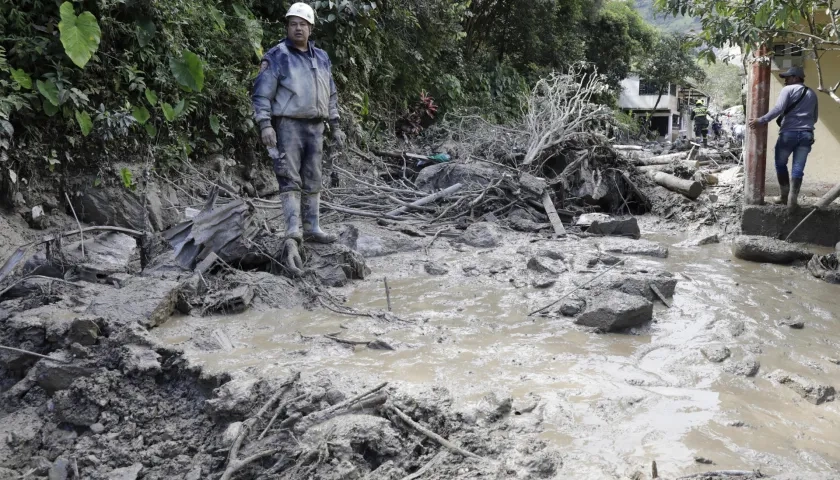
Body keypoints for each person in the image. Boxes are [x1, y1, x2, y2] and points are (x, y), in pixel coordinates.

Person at [252, 2, 346, 244]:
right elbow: (261, 94)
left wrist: (335, 125)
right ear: (287, 27)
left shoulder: (322, 58)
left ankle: (312, 227)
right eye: (293, 24)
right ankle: (293, 230)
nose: (297, 28)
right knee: (289, 177)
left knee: (313, 177)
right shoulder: (277, 56)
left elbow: (331, 93)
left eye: (302, 24)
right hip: (288, 126)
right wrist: (265, 125)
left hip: (316, 127)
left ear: (311, 28)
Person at [748, 66, 818, 207]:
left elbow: (778, 109)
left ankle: (784, 197)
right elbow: (815, 118)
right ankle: (793, 201)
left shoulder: (787, 90)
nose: (785, 80)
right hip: (806, 135)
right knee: (798, 168)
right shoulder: (812, 93)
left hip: (788, 134)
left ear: (796, 78)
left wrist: (760, 120)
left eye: (788, 77)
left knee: (780, 164)